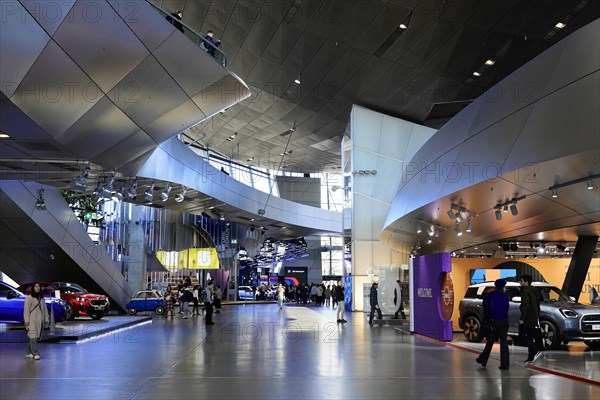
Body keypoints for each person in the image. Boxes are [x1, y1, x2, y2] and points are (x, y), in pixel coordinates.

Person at [476, 279, 510, 370]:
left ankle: (483, 359)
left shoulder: (491, 295)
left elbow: (485, 304)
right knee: (504, 343)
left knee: (490, 341)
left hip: (494, 321)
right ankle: (505, 364)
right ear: (503, 287)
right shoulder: (506, 296)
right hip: (504, 321)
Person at [519, 274, 542, 363]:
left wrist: (522, 318)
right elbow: (538, 305)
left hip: (527, 318)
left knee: (522, 337)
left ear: (526, 282)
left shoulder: (525, 292)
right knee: (530, 337)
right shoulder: (535, 291)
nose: (520, 283)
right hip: (534, 317)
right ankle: (530, 357)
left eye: (521, 281)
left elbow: (525, 306)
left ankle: (535, 351)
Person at [24, 282, 49, 360]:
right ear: (33, 288)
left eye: (39, 286)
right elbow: (26, 310)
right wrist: (26, 321)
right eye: (36, 286)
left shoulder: (42, 298)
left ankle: (28, 352)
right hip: (31, 320)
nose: (38, 288)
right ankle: (36, 353)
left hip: (39, 321)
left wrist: (46, 320)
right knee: (33, 337)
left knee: (33, 337)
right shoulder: (29, 298)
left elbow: (45, 310)